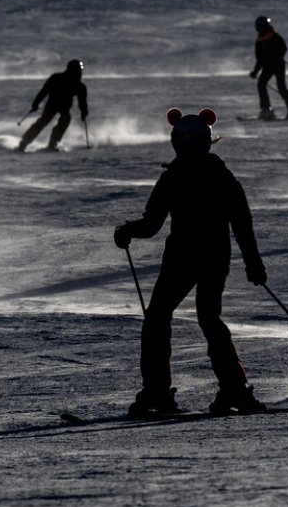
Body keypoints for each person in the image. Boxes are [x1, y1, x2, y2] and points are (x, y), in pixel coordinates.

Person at [113, 107, 268, 415]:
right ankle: (235, 391)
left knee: (158, 318)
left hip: (181, 258)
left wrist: (125, 231)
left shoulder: (173, 177)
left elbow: (151, 224)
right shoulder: (221, 175)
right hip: (213, 256)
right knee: (208, 319)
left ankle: (157, 392)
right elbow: (241, 222)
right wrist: (253, 262)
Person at [18, 59, 88, 152]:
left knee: (65, 120)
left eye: (80, 70)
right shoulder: (56, 78)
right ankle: (24, 143)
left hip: (65, 106)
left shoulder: (79, 86)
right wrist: (36, 103)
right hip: (52, 105)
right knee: (43, 121)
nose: (79, 73)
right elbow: (44, 91)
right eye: (78, 70)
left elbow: (82, 101)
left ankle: (53, 143)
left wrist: (83, 111)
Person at [249, 15, 288, 121]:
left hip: (278, 65)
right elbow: (260, 58)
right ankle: (266, 109)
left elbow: (283, 48)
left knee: (281, 87)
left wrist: (278, 55)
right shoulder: (259, 40)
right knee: (261, 84)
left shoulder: (274, 36)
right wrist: (255, 71)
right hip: (267, 67)